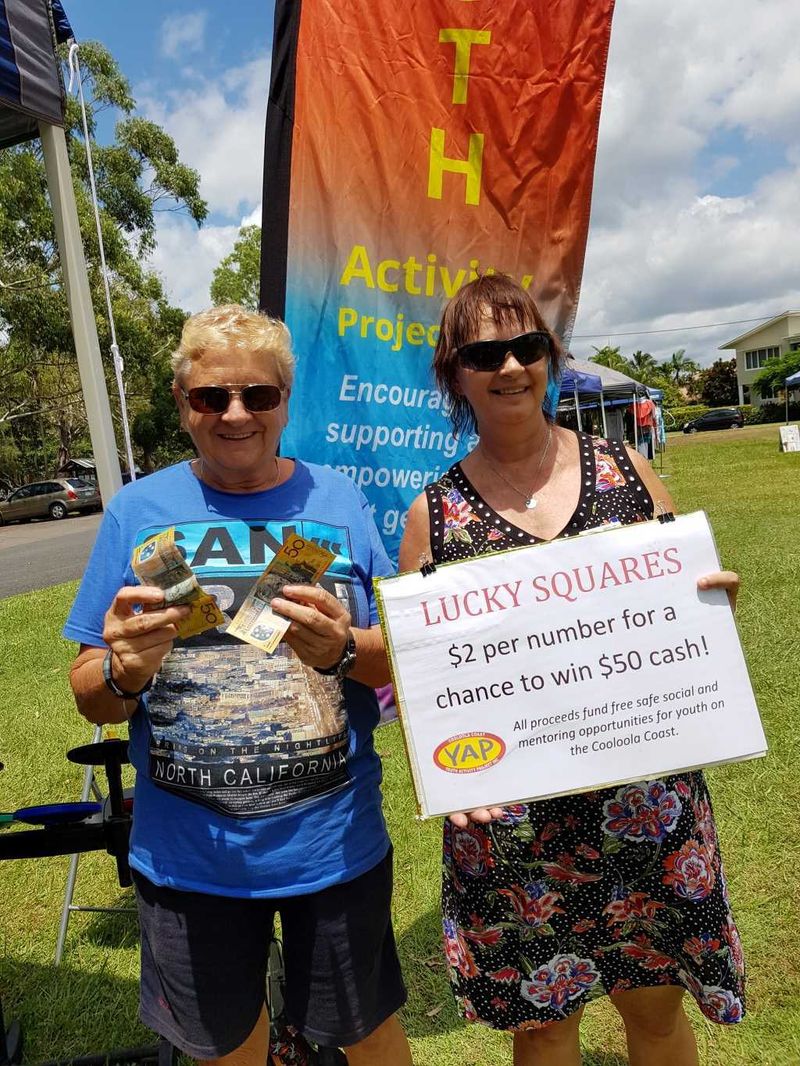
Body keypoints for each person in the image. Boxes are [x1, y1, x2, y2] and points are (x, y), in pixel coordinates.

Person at [398, 275, 744, 1066]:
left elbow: (682, 607)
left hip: (645, 799)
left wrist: (710, 602)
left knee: (653, 1008)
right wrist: (449, 781)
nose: (511, 366)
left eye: (528, 346)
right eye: (486, 352)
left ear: (551, 357)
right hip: (516, 821)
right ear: (454, 372)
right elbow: (424, 678)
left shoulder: (623, 469)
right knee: (545, 1025)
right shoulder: (433, 513)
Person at [64, 305, 412, 1066]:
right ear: (182, 403)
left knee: (368, 1036)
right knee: (225, 1050)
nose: (234, 413)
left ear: (286, 401)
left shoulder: (339, 500)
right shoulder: (137, 513)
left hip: (333, 846)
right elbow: (88, 687)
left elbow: (406, 658)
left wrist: (346, 649)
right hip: (190, 857)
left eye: (258, 395)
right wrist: (124, 671)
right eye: (210, 397)